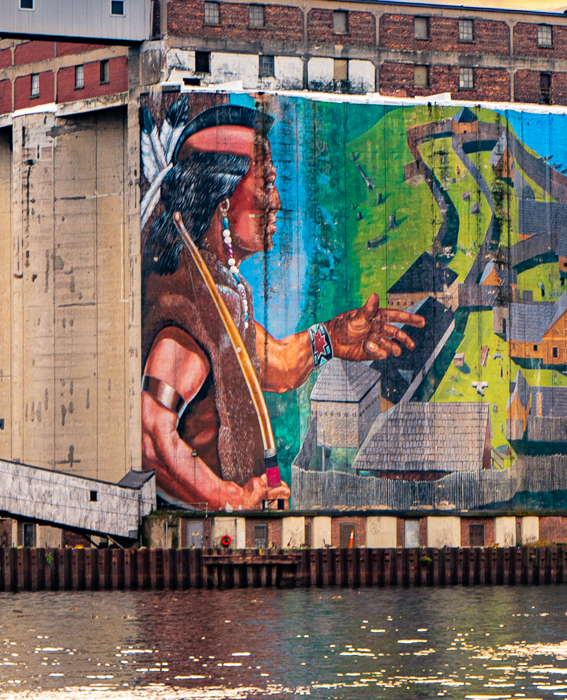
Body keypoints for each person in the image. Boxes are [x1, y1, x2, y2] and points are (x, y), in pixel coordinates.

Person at [140, 102, 423, 510]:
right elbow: (152, 436)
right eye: (267, 183)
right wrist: (232, 498)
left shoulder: (218, 293)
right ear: (223, 203)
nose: (276, 202)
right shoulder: (188, 311)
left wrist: (333, 338)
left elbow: (275, 363)